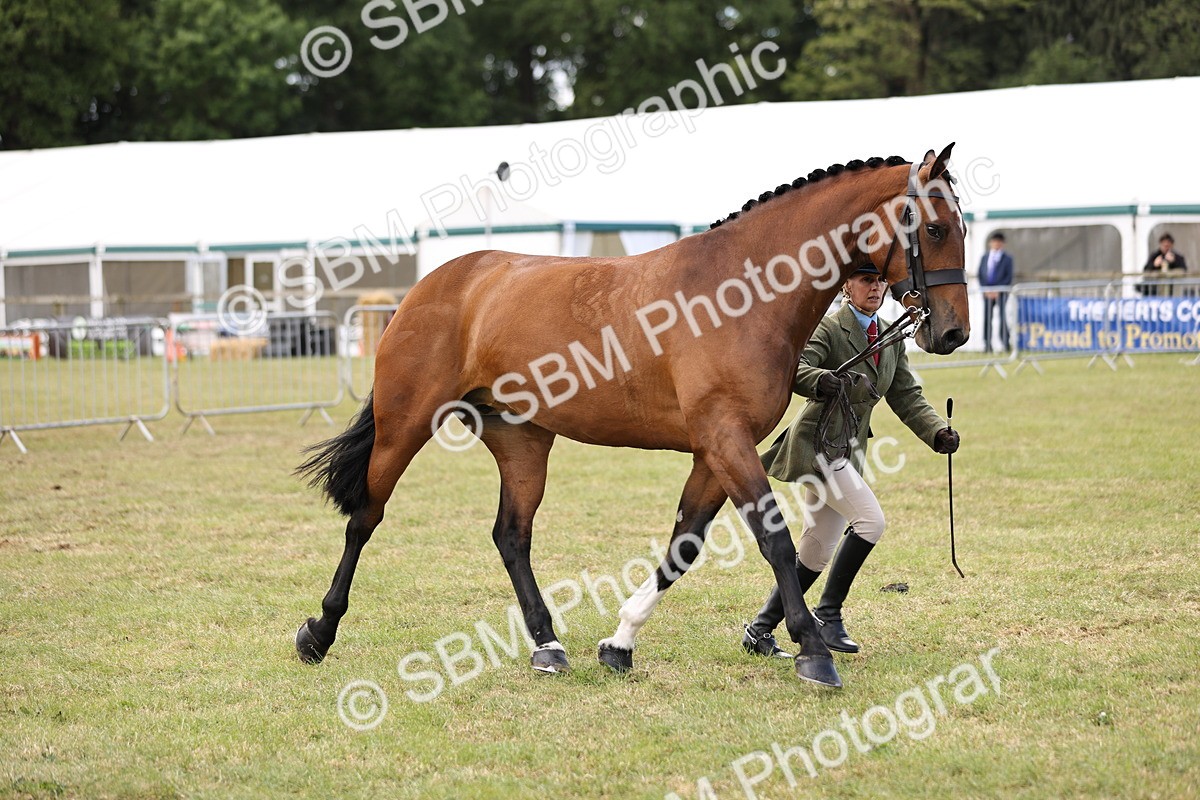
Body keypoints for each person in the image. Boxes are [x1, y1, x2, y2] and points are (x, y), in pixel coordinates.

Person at [740, 263, 959, 659]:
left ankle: (758, 630)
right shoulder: (828, 327)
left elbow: (905, 395)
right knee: (871, 521)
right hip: (818, 446)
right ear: (847, 286)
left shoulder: (891, 335)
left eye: (880, 282)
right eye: (866, 281)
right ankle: (828, 614)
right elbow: (798, 369)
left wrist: (935, 432)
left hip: (849, 450)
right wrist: (821, 379)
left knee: (816, 550)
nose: (875, 289)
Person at [978, 231, 1013, 352]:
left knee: (1002, 317)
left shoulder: (1007, 259)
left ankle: (1005, 343)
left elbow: (1008, 276)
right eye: (994, 241)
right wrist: (985, 290)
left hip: (1001, 292)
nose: (996, 244)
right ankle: (987, 344)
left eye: (998, 242)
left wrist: (998, 290)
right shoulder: (985, 257)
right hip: (987, 293)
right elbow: (981, 274)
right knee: (987, 319)